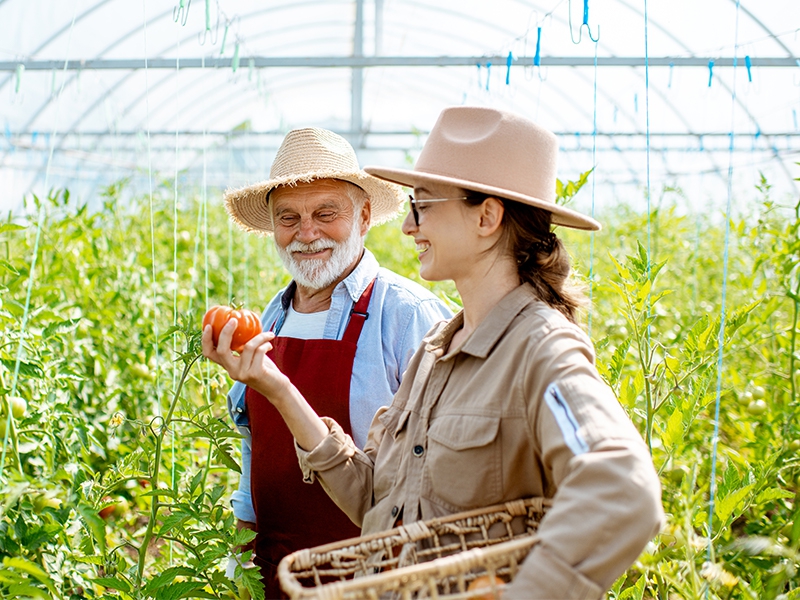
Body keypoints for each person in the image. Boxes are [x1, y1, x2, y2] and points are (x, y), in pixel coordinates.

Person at [205, 106, 664, 598]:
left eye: (422, 205)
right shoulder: (437, 350)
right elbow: (379, 501)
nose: (407, 225)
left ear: (486, 216)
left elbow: (624, 493)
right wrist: (275, 387)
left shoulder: (539, 350)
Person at [219, 127, 452, 597]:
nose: (307, 234)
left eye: (326, 213)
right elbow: (253, 440)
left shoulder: (406, 314)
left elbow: (445, 471)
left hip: (375, 576)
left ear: (364, 216)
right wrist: (240, 544)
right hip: (274, 573)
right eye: (288, 218)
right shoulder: (270, 316)